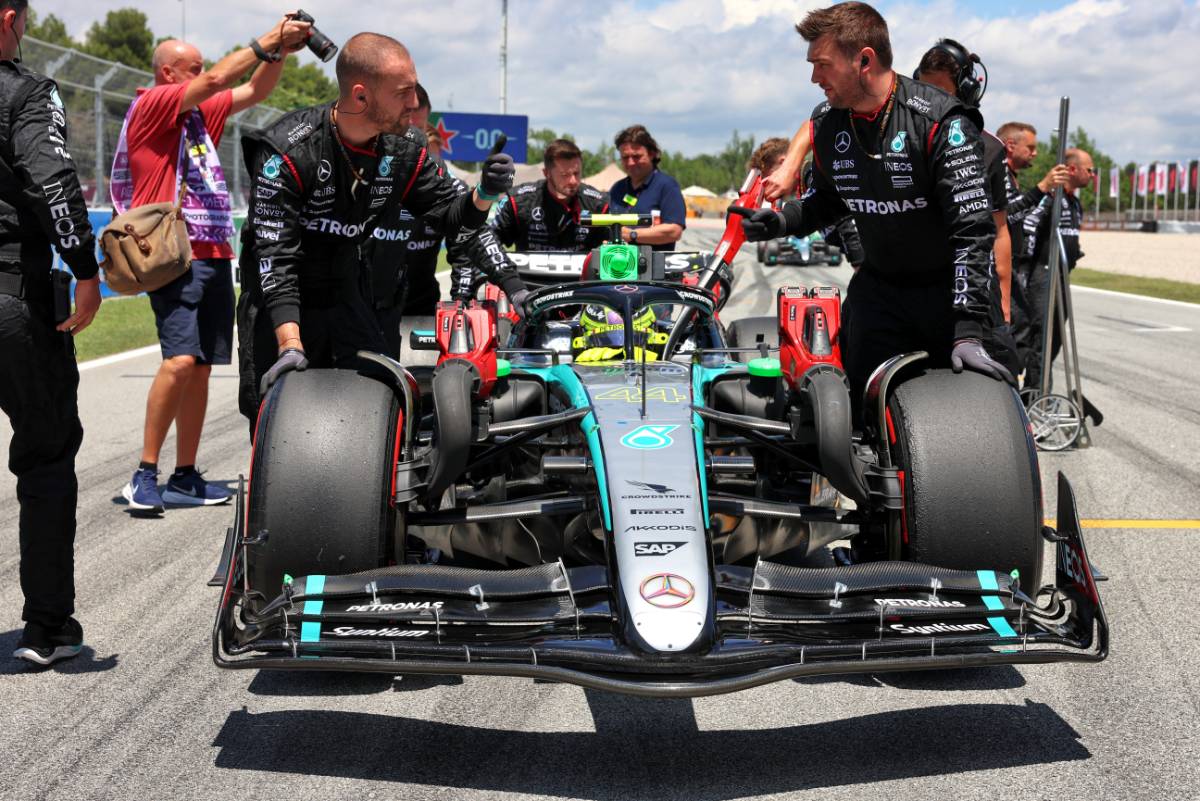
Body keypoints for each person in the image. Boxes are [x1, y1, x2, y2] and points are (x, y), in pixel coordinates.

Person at [236, 32, 527, 430]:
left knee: (376, 403)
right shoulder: (287, 151)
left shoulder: (404, 147)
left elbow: (449, 216)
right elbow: (275, 257)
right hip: (280, 301)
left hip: (347, 288)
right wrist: (290, 344)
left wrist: (484, 194)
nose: (414, 103)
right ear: (361, 96)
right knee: (278, 419)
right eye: (404, 92)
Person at [736, 2, 1008, 419]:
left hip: (948, 298)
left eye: (822, 65)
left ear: (863, 60)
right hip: (879, 294)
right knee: (860, 419)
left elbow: (971, 231)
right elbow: (827, 201)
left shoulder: (941, 122)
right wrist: (781, 220)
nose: (814, 77)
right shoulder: (828, 123)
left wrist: (968, 328)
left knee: (968, 427)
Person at [116, 15, 312, 513]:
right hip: (170, 254)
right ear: (168, 74)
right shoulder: (153, 105)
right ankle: (143, 473)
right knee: (179, 360)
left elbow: (253, 89)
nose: (204, 72)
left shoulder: (200, 115)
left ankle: (184, 475)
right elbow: (221, 79)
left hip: (213, 252)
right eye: (193, 67)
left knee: (201, 368)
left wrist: (283, 51)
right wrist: (269, 37)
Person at [0, 0, 102, 665]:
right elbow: (52, 178)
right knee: (46, 451)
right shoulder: (26, 91)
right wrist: (87, 268)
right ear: (10, 17)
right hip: (13, 296)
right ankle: (49, 627)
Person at [915, 38, 1020, 377]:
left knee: (1001, 366)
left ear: (966, 93)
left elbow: (999, 229)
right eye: (927, 92)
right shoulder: (898, 140)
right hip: (913, 283)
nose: (936, 103)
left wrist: (1002, 302)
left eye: (944, 93)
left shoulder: (989, 147)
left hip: (971, 282)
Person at [368, 83, 470, 356]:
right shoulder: (374, 175)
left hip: (422, 300)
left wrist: (461, 303)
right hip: (371, 303)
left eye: (433, 157)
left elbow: (465, 246)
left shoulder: (445, 186)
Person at [996, 120, 1068, 372]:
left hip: (1014, 265)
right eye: (1032, 147)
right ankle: (1011, 392)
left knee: (1025, 328)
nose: (1035, 153)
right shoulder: (997, 172)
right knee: (1018, 329)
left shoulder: (1011, 176)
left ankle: (1020, 390)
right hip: (995, 267)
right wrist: (1042, 188)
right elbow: (1008, 216)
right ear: (1011, 145)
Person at [1019, 147, 1091, 394]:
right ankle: (1034, 397)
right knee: (1042, 339)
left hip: (1062, 276)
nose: (1092, 175)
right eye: (1089, 170)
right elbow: (1027, 224)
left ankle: (1040, 394)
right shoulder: (1052, 198)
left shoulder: (1075, 202)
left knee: (1056, 340)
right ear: (1072, 169)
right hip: (1042, 274)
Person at [608, 125, 686, 251]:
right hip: (618, 266)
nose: (630, 162)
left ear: (652, 154)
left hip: (654, 267)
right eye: (625, 157)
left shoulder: (667, 186)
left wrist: (631, 235)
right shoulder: (617, 189)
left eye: (636, 156)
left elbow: (674, 231)